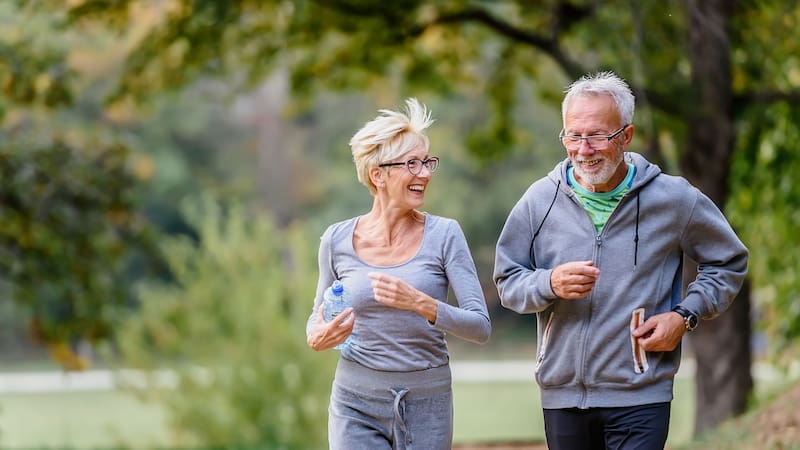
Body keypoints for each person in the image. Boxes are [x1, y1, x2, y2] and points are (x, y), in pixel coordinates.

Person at [493, 71, 748, 450]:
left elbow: (728, 262)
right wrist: (548, 284)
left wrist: (684, 316)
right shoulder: (539, 200)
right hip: (562, 397)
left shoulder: (673, 199)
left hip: (641, 394)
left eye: (597, 135)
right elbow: (507, 281)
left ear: (626, 136)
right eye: (573, 136)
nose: (583, 149)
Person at [306, 98, 491, 450]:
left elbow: (480, 327)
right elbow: (316, 318)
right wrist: (317, 336)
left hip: (427, 402)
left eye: (427, 162)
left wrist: (422, 303)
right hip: (354, 401)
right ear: (378, 174)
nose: (424, 173)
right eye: (411, 164)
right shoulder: (336, 239)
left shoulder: (445, 235)